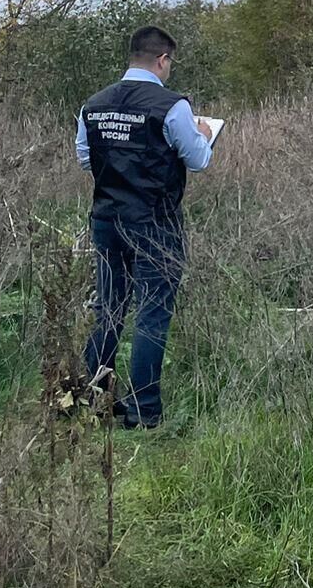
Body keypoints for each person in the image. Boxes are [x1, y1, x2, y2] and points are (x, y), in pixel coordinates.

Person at [75, 26, 216, 429]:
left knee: (107, 310)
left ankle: (98, 400)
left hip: (106, 219)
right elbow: (198, 160)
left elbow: (87, 160)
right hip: (156, 224)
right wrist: (204, 134)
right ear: (162, 60)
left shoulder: (93, 105)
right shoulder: (172, 106)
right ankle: (143, 411)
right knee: (152, 313)